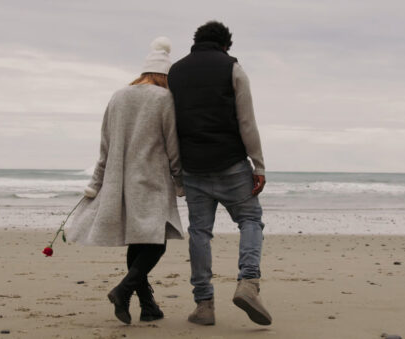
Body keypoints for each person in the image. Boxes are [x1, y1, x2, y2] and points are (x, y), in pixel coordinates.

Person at [65, 37, 184, 325]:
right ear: (164, 75)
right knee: (155, 242)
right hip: (151, 179)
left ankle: (148, 306)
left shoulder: (118, 96)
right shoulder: (165, 98)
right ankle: (123, 290)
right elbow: (172, 145)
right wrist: (180, 181)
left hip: (120, 180)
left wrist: (96, 182)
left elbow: (104, 146)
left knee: (139, 240)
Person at [168, 21, 271, 326]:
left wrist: (177, 173)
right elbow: (247, 122)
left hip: (193, 167)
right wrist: (259, 165)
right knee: (250, 219)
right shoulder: (232, 68)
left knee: (200, 232)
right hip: (230, 164)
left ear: (196, 42)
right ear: (226, 45)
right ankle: (248, 283)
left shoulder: (175, 72)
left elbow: (170, 127)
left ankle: (204, 305)